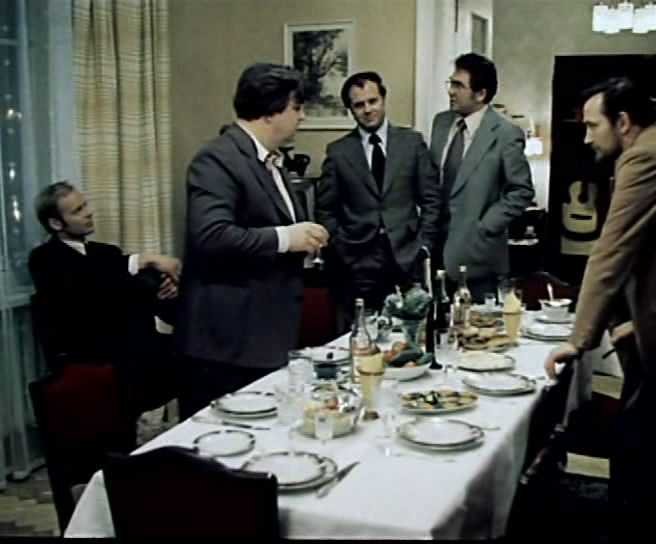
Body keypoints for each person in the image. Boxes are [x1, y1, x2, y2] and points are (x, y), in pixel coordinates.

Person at [544, 77, 656, 536]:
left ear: (622, 122)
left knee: (635, 443)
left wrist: (577, 340)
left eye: (592, 126)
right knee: (639, 441)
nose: (586, 137)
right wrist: (635, 325)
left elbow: (611, 252)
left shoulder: (645, 158)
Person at [175, 63, 328, 419]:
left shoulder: (271, 161)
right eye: (296, 107)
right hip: (227, 343)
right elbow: (211, 235)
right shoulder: (217, 158)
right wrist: (286, 238)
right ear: (271, 110)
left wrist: (303, 242)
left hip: (264, 334)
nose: (302, 116)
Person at [29, 181, 182, 416]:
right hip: (98, 362)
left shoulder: (106, 253)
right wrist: (143, 259)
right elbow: (90, 288)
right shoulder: (44, 259)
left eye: (85, 205)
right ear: (56, 223)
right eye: (78, 210)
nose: (89, 212)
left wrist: (168, 291)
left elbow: (141, 296)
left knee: (200, 355)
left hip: (141, 354)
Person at [315, 71, 441, 324]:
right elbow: (325, 209)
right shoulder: (338, 152)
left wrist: (423, 245)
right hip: (357, 261)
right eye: (359, 105)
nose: (367, 110)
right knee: (362, 333)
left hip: (406, 257)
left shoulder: (412, 143)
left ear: (383, 99)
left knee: (409, 333)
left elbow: (431, 200)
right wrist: (343, 249)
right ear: (351, 110)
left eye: (373, 101)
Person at [430, 53, 534, 300]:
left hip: (478, 256)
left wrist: (486, 225)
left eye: (458, 85)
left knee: (477, 322)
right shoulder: (441, 123)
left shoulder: (506, 134)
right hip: (436, 252)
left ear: (480, 94)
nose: (451, 91)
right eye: (451, 83)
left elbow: (521, 191)